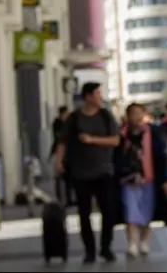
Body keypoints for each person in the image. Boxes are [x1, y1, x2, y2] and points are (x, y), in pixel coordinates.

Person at [54, 82, 120, 264]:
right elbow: (62, 142)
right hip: (80, 173)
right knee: (84, 213)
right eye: (98, 93)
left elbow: (115, 140)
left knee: (108, 210)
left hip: (103, 171)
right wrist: (58, 162)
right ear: (88, 97)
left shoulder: (106, 116)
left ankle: (106, 248)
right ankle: (89, 251)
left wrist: (92, 140)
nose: (101, 96)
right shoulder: (74, 118)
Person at [114, 103, 167, 257]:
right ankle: (132, 244)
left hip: (148, 178)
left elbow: (161, 157)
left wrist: (165, 179)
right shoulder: (121, 134)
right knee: (130, 212)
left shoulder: (152, 132)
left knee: (147, 212)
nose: (136, 117)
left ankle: (144, 241)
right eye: (133, 113)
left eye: (139, 113)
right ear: (128, 116)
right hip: (128, 180)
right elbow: (115, 156)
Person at [49, 106, 73, 205]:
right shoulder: (57, 123)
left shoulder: (69, 122)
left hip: (68, 152)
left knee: (68, 177)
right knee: (59, 176)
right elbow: (58, 137)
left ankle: (68, 198)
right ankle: (60, 198)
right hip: (59, 152)